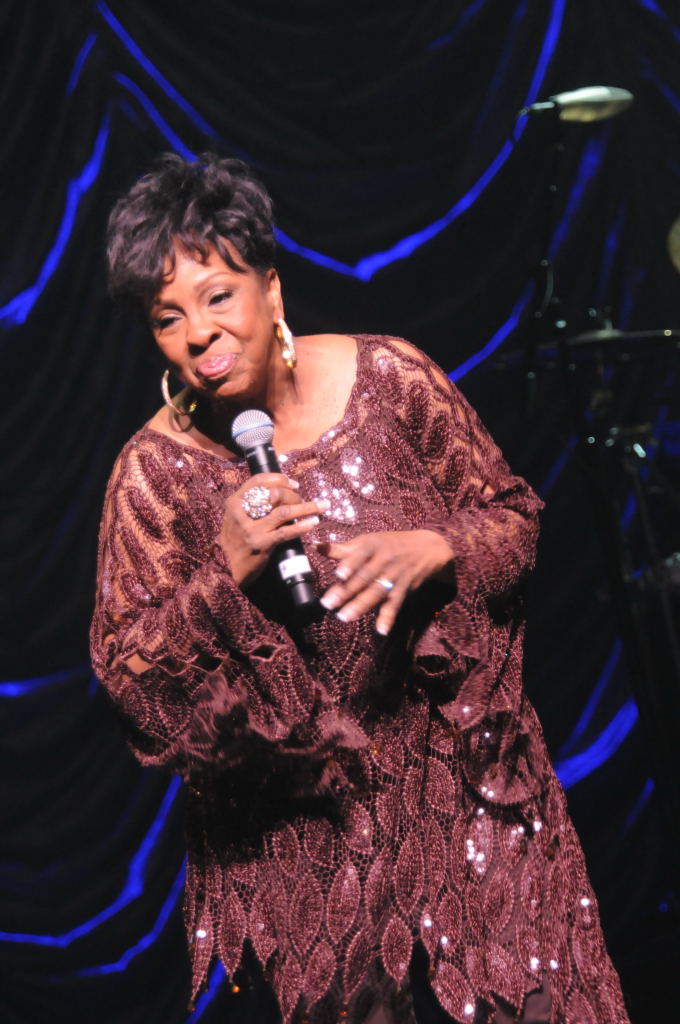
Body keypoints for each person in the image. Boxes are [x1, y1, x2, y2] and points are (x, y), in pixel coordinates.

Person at [90, 153, 630, 1024]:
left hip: (473, 804)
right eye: (167, 317)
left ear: (270, 288)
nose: (198, 333)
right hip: (312, 858)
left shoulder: (389, 380)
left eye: (218, 296)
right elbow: (128, 679)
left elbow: (514, 519)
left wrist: (441, 547)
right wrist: (223, 577)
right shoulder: (152, 477)